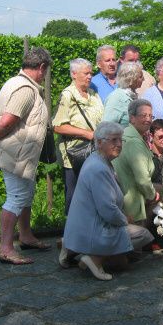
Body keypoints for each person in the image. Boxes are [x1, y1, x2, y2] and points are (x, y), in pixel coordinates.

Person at [0, 47, 53, 265]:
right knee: (16, 198)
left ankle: (25, 236)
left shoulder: (16, 82)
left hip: (22, 154)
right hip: (16, 155)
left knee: (26, 195)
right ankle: (5, 248)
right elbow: (7, 121)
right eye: (45, 71)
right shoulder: (25, 89)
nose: (45, 75)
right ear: (41, 67)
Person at [60, 121, 154, 280]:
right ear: (99, 143)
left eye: (120, 140)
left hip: (88, 224)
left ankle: (73, 247)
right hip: (93, 227)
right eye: (113, 140)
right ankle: (94, 259)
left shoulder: (99, 161)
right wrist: (124, 219)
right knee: (143, 235)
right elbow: (108, 210)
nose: (118, 144)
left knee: (122, 262)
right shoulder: (99, 168)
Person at [53, 58, 104, 215]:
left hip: (95, 152)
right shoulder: (68, 95)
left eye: (91, 73)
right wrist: (87, 134)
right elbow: (57, 126)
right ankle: (71, 233)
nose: (90, 76)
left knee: (94, 193)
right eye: (86, 73)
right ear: (74, 74)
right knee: (74, 194)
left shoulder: (94, 95)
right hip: (75, 154)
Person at [113, 99, 159, 226]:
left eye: (150, 116)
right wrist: (153, 195)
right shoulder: (134, 142)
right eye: (143, 115)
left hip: (122, 198)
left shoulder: (126, 136)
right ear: (132, 118)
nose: (148, 119)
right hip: (132, 205)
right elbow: (142, 179)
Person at [103, 61, 144, 127]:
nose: (143, 79)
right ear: (131, 78)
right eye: (140, 76)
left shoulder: (133, 96)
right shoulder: (116, 98)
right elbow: (106, 127)